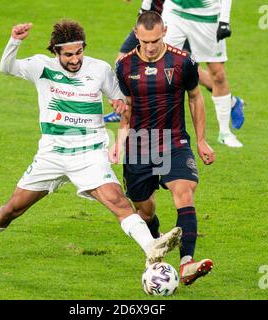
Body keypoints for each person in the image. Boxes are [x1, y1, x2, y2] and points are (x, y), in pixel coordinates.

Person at [0, 20, 182, 267]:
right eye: (68, 54)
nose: (75, 59)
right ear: (55, 51)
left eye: (79, 52)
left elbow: (124, 101)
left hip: (89, 152)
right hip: (52, 154)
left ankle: (152, 248)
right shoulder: (41, 67)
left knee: (117, 201)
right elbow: (6, 67)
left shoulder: (99, 69)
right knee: (12, 209)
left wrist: (121, 104)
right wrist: (15, 40)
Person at [110, 11, 214, 285]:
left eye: (155, 39)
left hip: (174, 141)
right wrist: (119, 141)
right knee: (144, 211)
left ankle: (187, 264)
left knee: (184, 193)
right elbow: (127, 107)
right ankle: (156, 247)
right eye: (144, 41)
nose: (151, 46)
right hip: (139, 145)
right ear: (136, 35)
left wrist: (201, 139)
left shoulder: (183, 61)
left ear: (164, 31)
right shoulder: (124, 66)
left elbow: (195, 97)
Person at [104, 0, 244, 129]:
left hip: (177, 21)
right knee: (122, 61)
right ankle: (126, 107)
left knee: (184, 69)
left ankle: (230, 101)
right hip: (151, 21)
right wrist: (144, 8)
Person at [162, 0, 244, 147]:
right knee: (164, 67)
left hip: (208, 17)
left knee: (218, 74)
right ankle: (161, 129)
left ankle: (225, 133)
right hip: (176, 13)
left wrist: (224, 20)